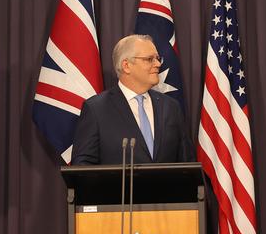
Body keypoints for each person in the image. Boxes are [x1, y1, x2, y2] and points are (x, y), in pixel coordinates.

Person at [71, 34, 195, 165]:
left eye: (157, 58)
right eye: (149, 59)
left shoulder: (171, 107)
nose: (158, 64)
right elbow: (83, 166)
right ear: (126, 66)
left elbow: (187, 164)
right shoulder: (96, 109)